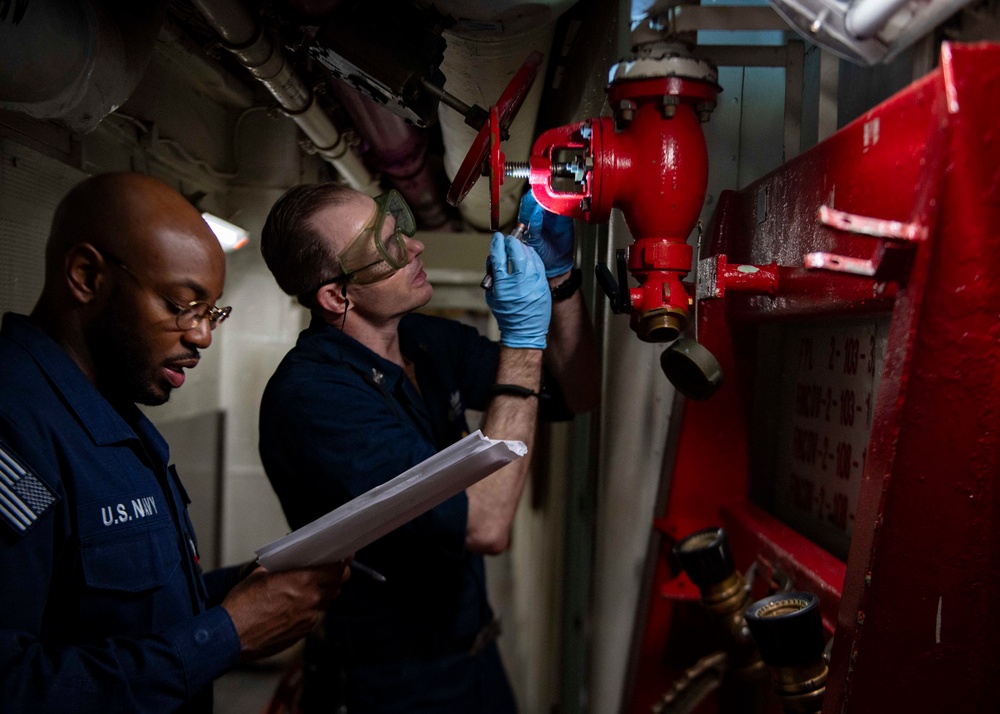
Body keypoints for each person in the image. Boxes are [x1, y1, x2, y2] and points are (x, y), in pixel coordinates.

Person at [0, 172, 351, 713]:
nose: (202, 335)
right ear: (86, 275)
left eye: (211, 312)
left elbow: (116, 616)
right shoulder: (15, 427)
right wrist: (228, 634)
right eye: (180, 305)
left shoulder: (114, 412)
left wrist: (243, 591)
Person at [258, 183, 600, 712]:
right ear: (336, 296)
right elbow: (486, 524)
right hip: (397, 683)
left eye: (402, 232)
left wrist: (561, 281)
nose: (416, 248)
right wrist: (524, 343)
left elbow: (578, 391)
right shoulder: (314, 400)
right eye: (389, 249)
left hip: (475, 656)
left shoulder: (423, 340)